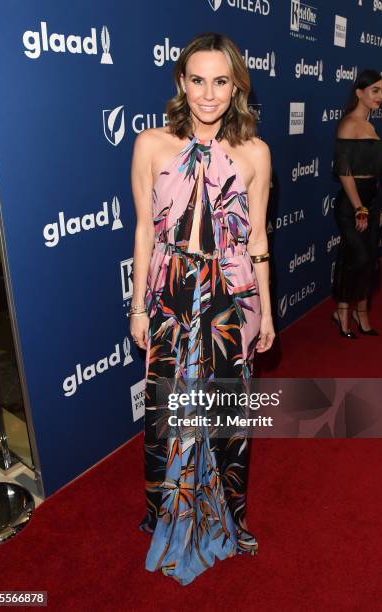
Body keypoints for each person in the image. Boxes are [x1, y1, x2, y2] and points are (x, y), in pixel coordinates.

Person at [129, 32, 275, 585]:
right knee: (168, 413)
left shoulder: (256, 151)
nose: (208, 94)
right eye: (197, 80)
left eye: (220, 81)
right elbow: (144, 231)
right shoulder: (150, 144)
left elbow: (259, 237)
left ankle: (226, 518)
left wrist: (268, 313)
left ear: (236, 84)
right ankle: (162, 512)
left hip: (232, 295)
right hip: (169, 289)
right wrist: (139, 306)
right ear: (180, 82)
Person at [331, 69, 382, 338]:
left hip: (371, 201)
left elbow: (374, 173)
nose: (380, 96)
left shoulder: (371, 127)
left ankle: (360, 313)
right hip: (352, 204)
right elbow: (344, 171)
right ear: (359, 93)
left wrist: (375, 206)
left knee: (369, 259)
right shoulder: (349, 124)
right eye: (375, 90)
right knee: (357, 258)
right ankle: (342, 310)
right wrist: (359, 208)